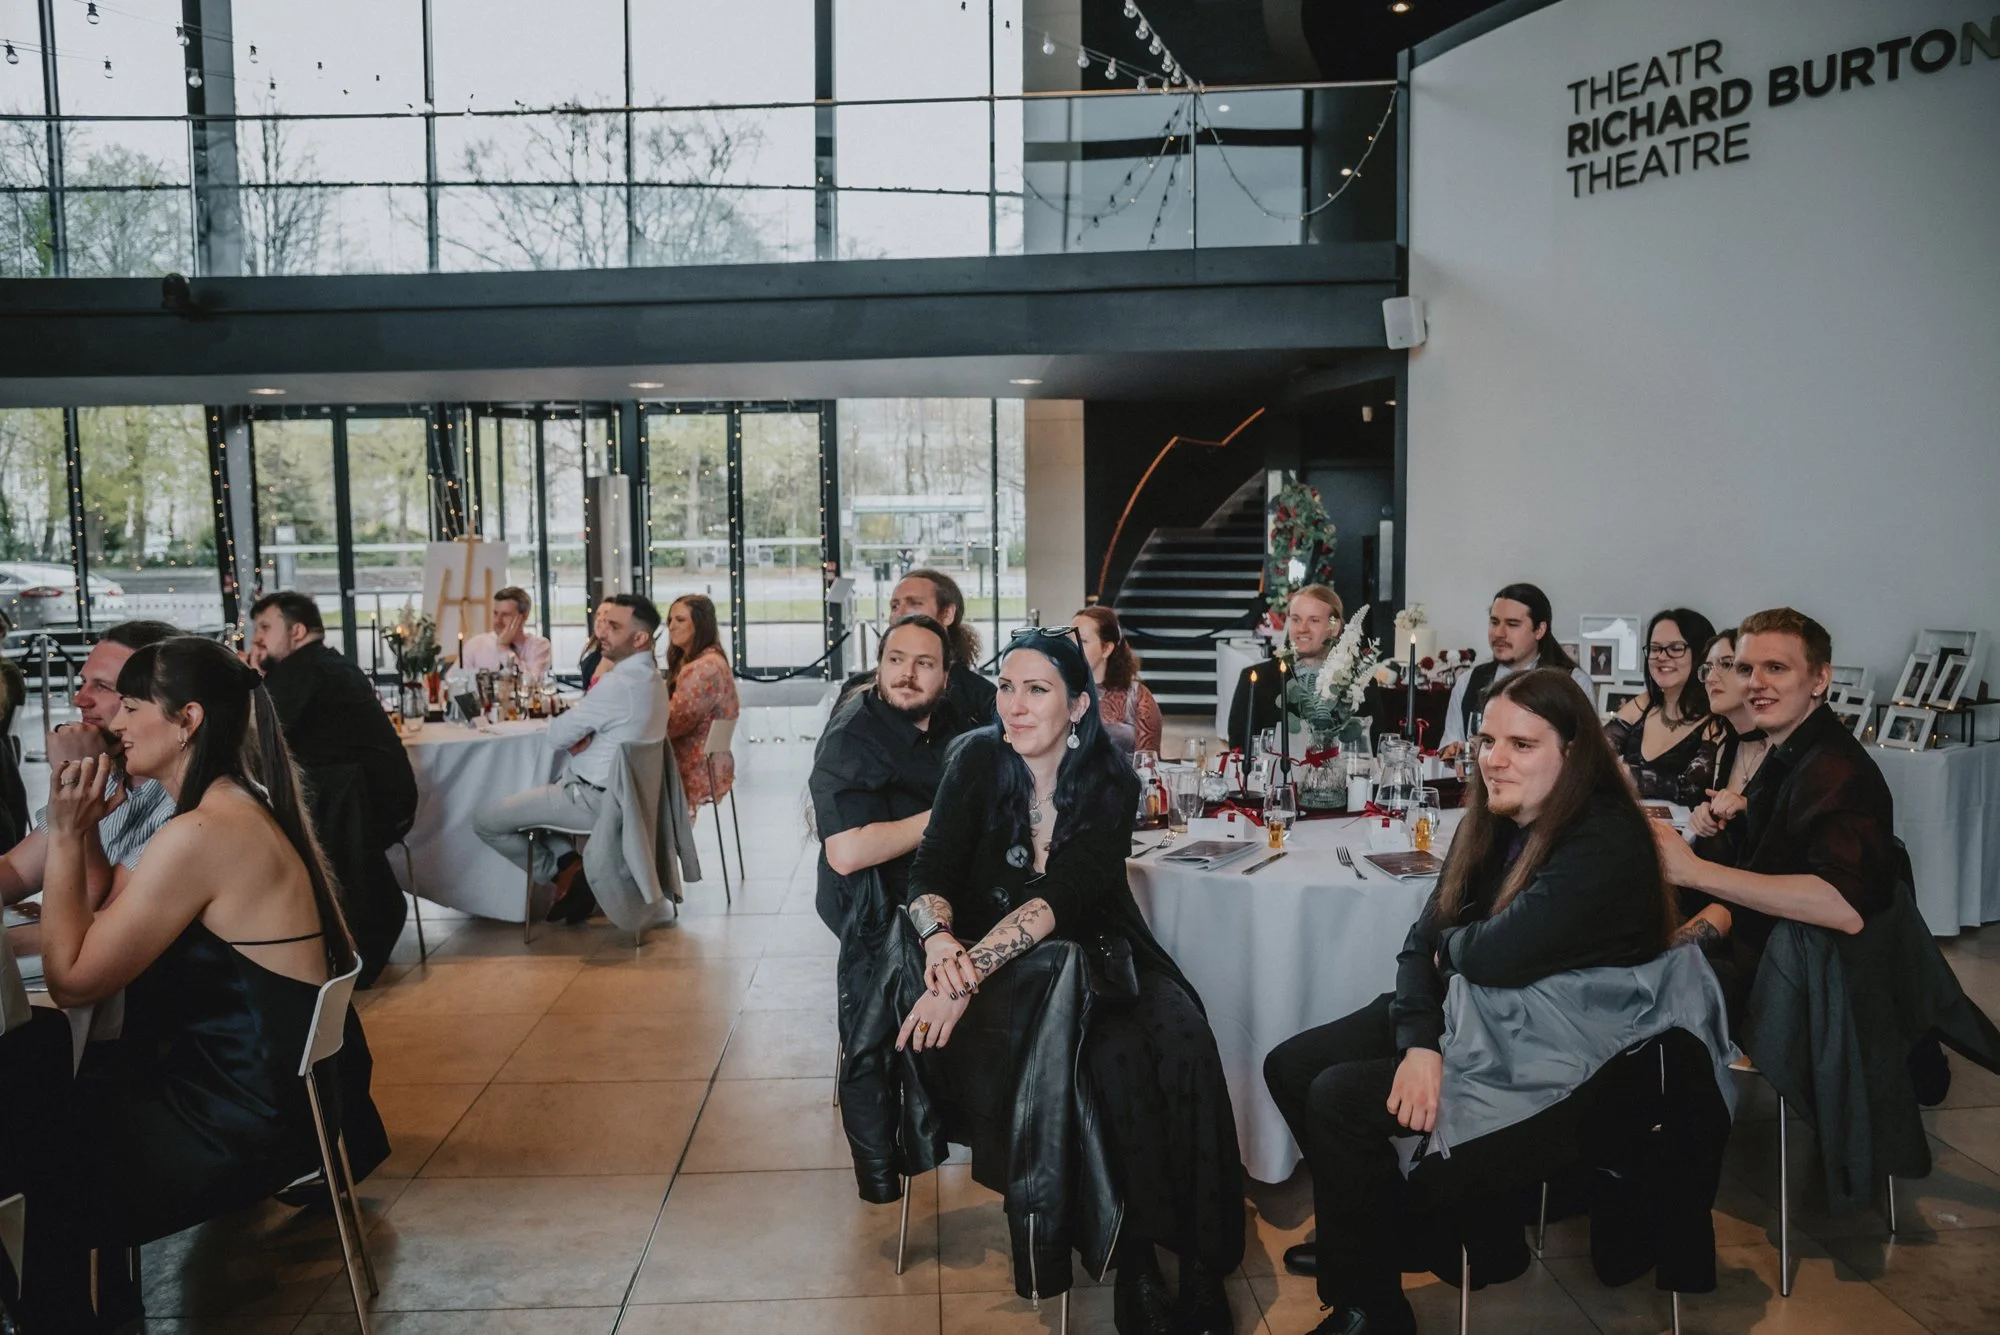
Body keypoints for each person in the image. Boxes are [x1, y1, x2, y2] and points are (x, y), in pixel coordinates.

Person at [1264, 669, 1676, 1334]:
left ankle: (1372, 1306)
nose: (1494, 758)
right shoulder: (1493, 816)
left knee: (1339, 1097)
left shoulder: (1603, 839)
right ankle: (1383, 1237)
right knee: (1292, 1064)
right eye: (1487, 740)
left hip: (1564, 1063)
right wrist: (1420, 1044)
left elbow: (1485, 953)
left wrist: (1450, 951)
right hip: (1478, 1017)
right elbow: (1418, 945)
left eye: (1521, 743)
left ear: (1573, 752)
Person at [0, 637, 361, 1323]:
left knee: (30, 1154)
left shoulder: (200, 833)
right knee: (39, 1109)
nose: (115, 724)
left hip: (239, 1123)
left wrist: (73, 833)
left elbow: (71, 978)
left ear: (187, 719)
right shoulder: (236, 802)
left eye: (132, 706)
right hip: (270, 1100)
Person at [899, 627, 1243, 1335]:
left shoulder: (1109, 777)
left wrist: (960, 979)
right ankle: (1138, 1261)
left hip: (1100, 946)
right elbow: (928, 873)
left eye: (1037, 689)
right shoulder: (974, 762)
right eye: (1006, 687)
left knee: (1186, 1037)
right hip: (1013, 976)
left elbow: (1066, 894)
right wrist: (939, 941)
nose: (1015, 706)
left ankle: (1205, 1261)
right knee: (1110, 1059)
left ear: (1080, 705)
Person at [1656, 608, 1896, 1004]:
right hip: (1767, 955)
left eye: (1776, 668)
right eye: (1747, 669)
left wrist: (1694, 871)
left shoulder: (1833, 768)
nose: (1756, 683)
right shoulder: (1787, 752)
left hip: (1807, 985)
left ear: (1819, 679)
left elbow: (1842, 907)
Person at [250, 592, 420, 977]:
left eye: (264, 628)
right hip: (367, 802)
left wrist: (251, 680)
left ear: (296, 631)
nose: (256, 638)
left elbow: (256, 739)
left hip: (366, 809)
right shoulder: (323, 664)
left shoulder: (306, 672)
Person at [474, 593, 668, 923]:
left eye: (614, 626)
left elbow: (557, 735)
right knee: (537, 791)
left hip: (592, 800)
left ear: (640, 638)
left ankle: (558, 873)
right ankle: (570, 866)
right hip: (627, 797)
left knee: (486, 821)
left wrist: (581, 733)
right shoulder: (653, 679)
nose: (603, 632)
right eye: (604, 623)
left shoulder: (617, 684)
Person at [1, 621, 181, 927]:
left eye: (102, 687)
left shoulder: (183, 796)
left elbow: (96, 923)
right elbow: (17, 870)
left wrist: (78, 787)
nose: (79, 700)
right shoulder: (109, 771)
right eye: (83, 683)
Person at [810, 614, 964, 935]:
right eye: (896, 659)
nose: (907, 674)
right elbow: (846, 853)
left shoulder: (947, 718)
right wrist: (951, 814)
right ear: (879, 665)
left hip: (940, 887)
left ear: (945, 677)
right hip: (878, 916)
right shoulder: (851, 737)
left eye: (924, 664)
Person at [1437, 583, 1597, 760]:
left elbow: (1586, 755)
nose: (1499, 633)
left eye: (1512, 624)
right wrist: (1454, 752)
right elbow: (1450, 744)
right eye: (1494, 622)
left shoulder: (1574, 683)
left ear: (1539, 630)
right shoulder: (1467, 682)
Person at [1603, 608, 1717, 804]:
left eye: (1675, 648)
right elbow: (1594, 753)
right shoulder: (1643, 704)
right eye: (1655, 649)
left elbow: (1691, 789)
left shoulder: (1716, 718)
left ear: (1700, 654)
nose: (1662, 657)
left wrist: (1628, 775)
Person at [1224, 584, 1345, 752]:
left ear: (1334, 627)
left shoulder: (1360, 683)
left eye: (1314, 620)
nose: (1302, 628)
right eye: (1296, 619)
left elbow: (1372, 752)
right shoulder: (1257, 679)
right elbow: (1239, 751)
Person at [884, 568, 997, 725]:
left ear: (947, 614)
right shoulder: (858, 689)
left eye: (914, 604)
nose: (899, 613)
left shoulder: (980, 697)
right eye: (895, 606)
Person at [664, 593, 740, 814]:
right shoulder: (713, 659)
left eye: (680, 620)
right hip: (712, 761)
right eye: (669, 620)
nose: (671, 627)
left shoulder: (703, 668)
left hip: (694, 765)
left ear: (699, 624)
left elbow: (673, 724)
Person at [1073, 606, 1162, 755]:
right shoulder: (1059, 692)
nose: (1073, 647)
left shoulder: (1136, 696)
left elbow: (1148, 765)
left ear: (1106, 648)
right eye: (1070, 640)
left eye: (1082, 641)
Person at [457, 585, 553, 677]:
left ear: (524, 616)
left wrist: (503, 648)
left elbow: (532, 685)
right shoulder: (476, 644)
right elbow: (452, 683)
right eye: (495, 613)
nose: (497, 621)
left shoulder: (539, 646)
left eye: (505, 615)